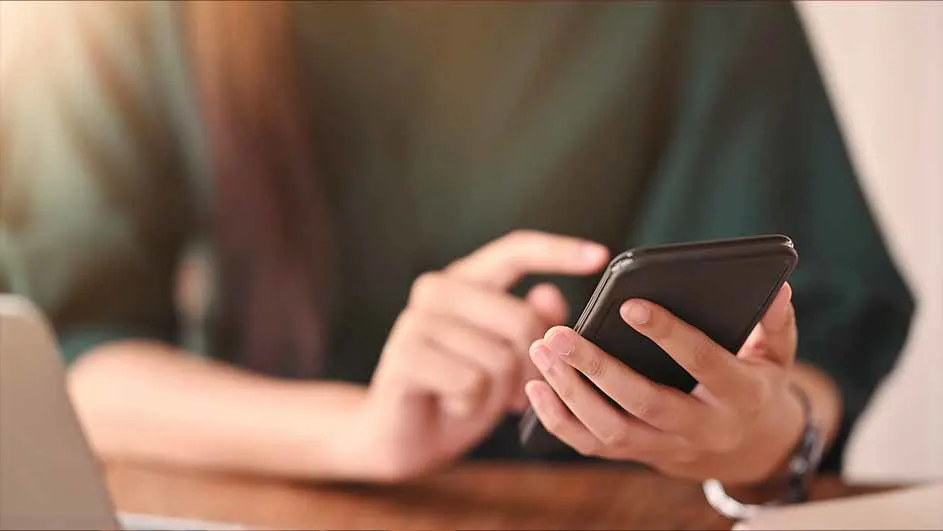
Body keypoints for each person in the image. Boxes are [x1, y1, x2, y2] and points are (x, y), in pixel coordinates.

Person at [0, 1, 912, 491]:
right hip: (262, 495)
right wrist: (359, 434)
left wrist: (758, 437)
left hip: (627, 516)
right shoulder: (116, 17)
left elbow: (821, 347)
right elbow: (71, 358)